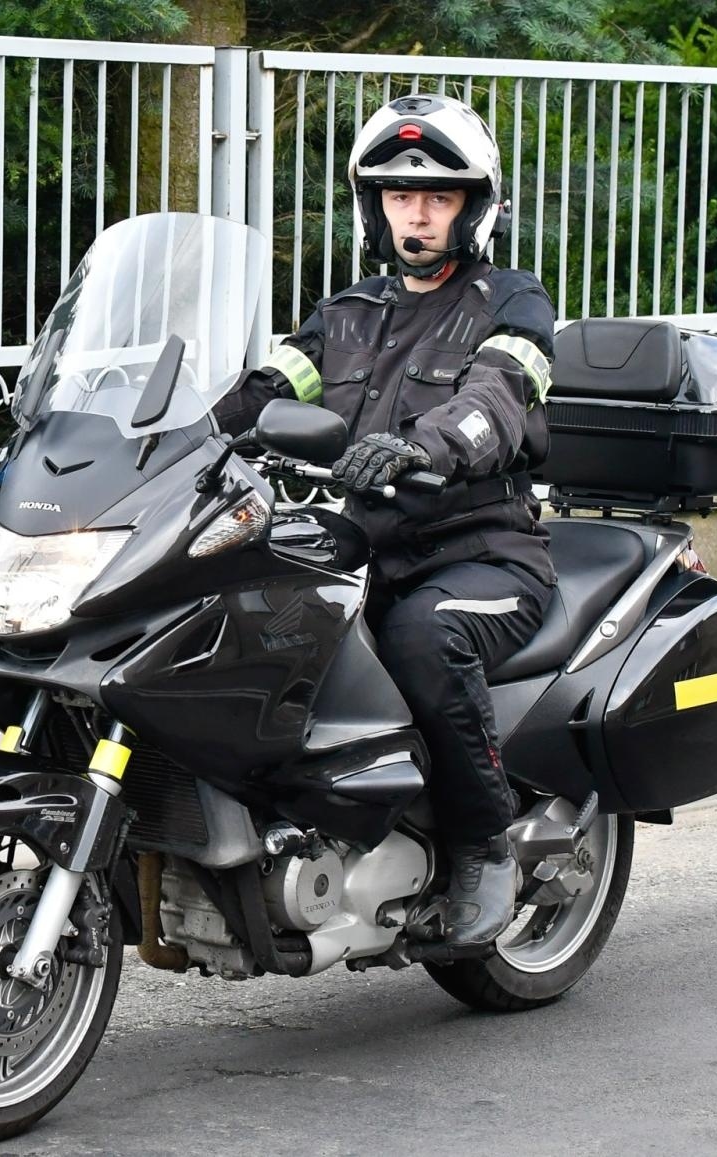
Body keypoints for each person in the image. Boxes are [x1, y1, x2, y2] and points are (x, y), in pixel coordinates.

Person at [214, 94, 557, 953]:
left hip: (481, 552)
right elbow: (256, 398)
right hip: (362, 543)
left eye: (439, 195)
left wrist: (419, 447)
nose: (419, 212)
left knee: (420, 637)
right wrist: (160, 440)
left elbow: (497, 401)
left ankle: (484, 847)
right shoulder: (345, 313)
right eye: (402, 195)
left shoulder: (509, 302)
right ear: (375, 206)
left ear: (473, 207)